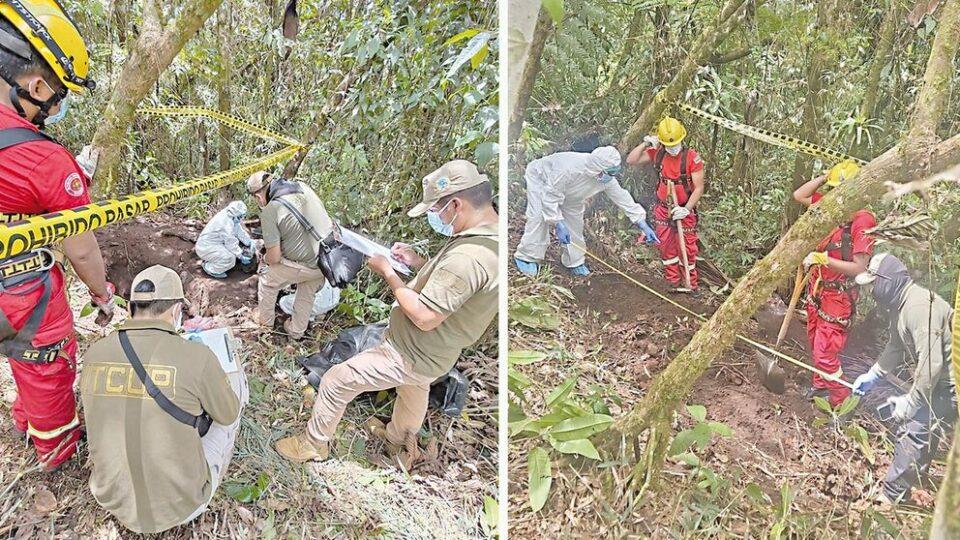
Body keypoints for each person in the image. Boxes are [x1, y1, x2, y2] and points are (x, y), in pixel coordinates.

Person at [275, 160, 498, 467]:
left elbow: (425, 315)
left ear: (456, 204)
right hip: (436, 354)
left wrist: (389, 274)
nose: (436, 217)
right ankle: (398, 442)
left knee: (338, 379)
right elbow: (454, 289)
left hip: (413, 350)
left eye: (436, 211)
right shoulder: (488, 242)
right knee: (414, 392)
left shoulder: (468, 258)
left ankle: (314, 443)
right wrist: (418, 263)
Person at [0, 0, 115, 471]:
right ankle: (55, 448)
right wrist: (102, 293)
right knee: (45, 358)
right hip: (20, 284)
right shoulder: (44, 159)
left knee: (17, 350)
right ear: (37, 84)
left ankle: (25, 419)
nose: (59, 106)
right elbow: (81, 245)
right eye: (59, 94)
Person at [80, 265, 246, 534]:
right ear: (176, 310)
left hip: (111, 497)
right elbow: (226, 415)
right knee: (234, 384)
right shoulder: (197, 356)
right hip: (182, 506)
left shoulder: (95, 353)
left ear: (133, 308)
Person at [851, 253, 955, 504]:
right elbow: (895, 346)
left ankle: (890, 498)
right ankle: (912, 487)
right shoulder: (901, 306)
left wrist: (912, 401)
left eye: (874, 284)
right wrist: (874, 374)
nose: (872, 290)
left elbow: (931, 365)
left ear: (888, 281)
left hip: (951, 385)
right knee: (923, 427)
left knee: (914, 427)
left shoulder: (919, 308)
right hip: (942, 384)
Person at [793, 160, 876, 407]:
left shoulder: (863, 221)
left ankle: (842, 402)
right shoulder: (833, 208)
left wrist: (824, 260)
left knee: (825, 353)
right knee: (814, 342)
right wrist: (824, 176)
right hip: (818, 291)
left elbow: (860, 267)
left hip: (839, 298)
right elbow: (800, 195)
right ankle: (820, 385)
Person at [513, 145, 658, 277]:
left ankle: (574, 261)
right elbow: (550, 198)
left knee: (575, 224)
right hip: (542, 180)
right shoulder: (568, 170)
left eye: (615, 172)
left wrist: (642, 223)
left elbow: (622, 198)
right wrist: (557, 223)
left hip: (572, 194)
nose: (612, 176)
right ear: (597, 169)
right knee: (538, 217)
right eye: (610, 172)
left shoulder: (606, 179)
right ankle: (526, 257)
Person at [247, 171, 333, 340]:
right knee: (306, 291)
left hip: (307, 265)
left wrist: (263, 259)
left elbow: (274, 257)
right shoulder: (303, 187)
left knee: (266, 279)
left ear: (258, 197)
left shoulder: (270, 210)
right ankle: (296, 331)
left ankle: (265, 325)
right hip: (328, 260)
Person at [626, 116, 705, 291]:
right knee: (666, 245)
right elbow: (631, 161)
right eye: (669, 145)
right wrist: (646, 144)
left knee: (687, 247)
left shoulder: (692, 158)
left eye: (675, 144)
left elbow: (699, 188)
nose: (673, 148)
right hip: (663, 208)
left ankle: (690, 284)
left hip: (684, 208)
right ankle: (672, 280)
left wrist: (686, 209)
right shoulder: (659, 153)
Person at [195, 200, 255, 278]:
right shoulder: (224, 223)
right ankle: (209, 268)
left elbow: (238, 231)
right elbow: (231, 243)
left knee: (233, 252)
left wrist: (249, 241)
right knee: (230, 258)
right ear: (236, 214)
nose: (241, 218)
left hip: (213, 244)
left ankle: (213, 260)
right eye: (240, 216)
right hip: (206, 248)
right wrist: (241, 256)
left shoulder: (231, 216)